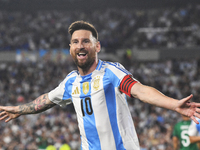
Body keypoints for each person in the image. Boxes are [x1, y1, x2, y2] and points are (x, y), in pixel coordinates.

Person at [0, 20, 200, 150]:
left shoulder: (110, 72)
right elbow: (45, 100)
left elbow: (139, 90)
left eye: (86, 41)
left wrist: (173, 104)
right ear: (70, 48)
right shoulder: (70, 82)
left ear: (97, 46)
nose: (80, 45)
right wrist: (19, 110)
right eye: (75, 42)